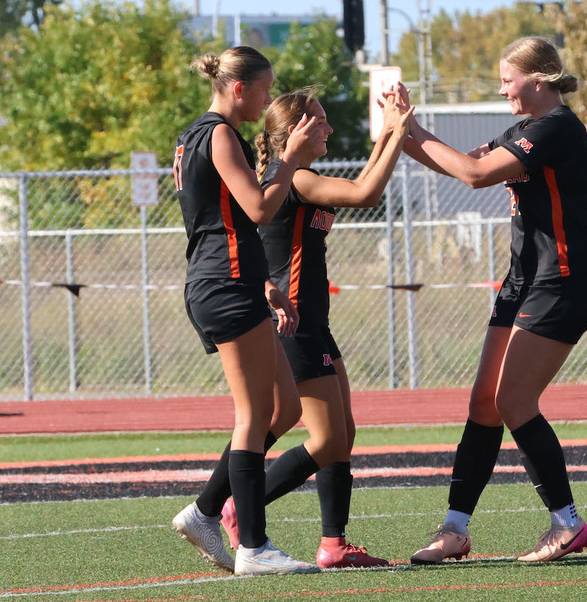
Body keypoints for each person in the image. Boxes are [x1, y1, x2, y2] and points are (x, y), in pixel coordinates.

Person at [399, 36, 587, 564]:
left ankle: (567, 524)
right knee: (484, 406)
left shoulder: (558, 128)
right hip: (522, 281)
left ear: (538, 80)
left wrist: (412, 129)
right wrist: (401, 133)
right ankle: (454, 530)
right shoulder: (524, 130)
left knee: (514, 402)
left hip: (563, 279)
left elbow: (474, 175)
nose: (502, 88)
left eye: (507, 79)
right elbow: (461, 163)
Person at [214, 87, 414, 569]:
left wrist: (388, 131)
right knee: (325, 440)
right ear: (294, 133)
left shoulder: (293, 178)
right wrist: (399, 134)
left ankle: (333, 544)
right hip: (294, 325)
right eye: (319, 121)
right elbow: (367, 193)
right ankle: (243, 505)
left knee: (342, 431)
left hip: (312, 322)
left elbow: (362, 181)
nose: (327, 127)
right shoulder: (297, 179)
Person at [169, 46, 323, 577]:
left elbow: (221, 219)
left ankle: (206, 510)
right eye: (263, 89)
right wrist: (291, 158)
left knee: (284, 412)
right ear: (238, 89)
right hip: (223, 285)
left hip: (234, 281)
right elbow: (258, 208)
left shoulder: (193, 134)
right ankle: (254, 548)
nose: (267, 98)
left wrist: (265, 284)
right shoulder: (217, 134)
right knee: (255, 416)